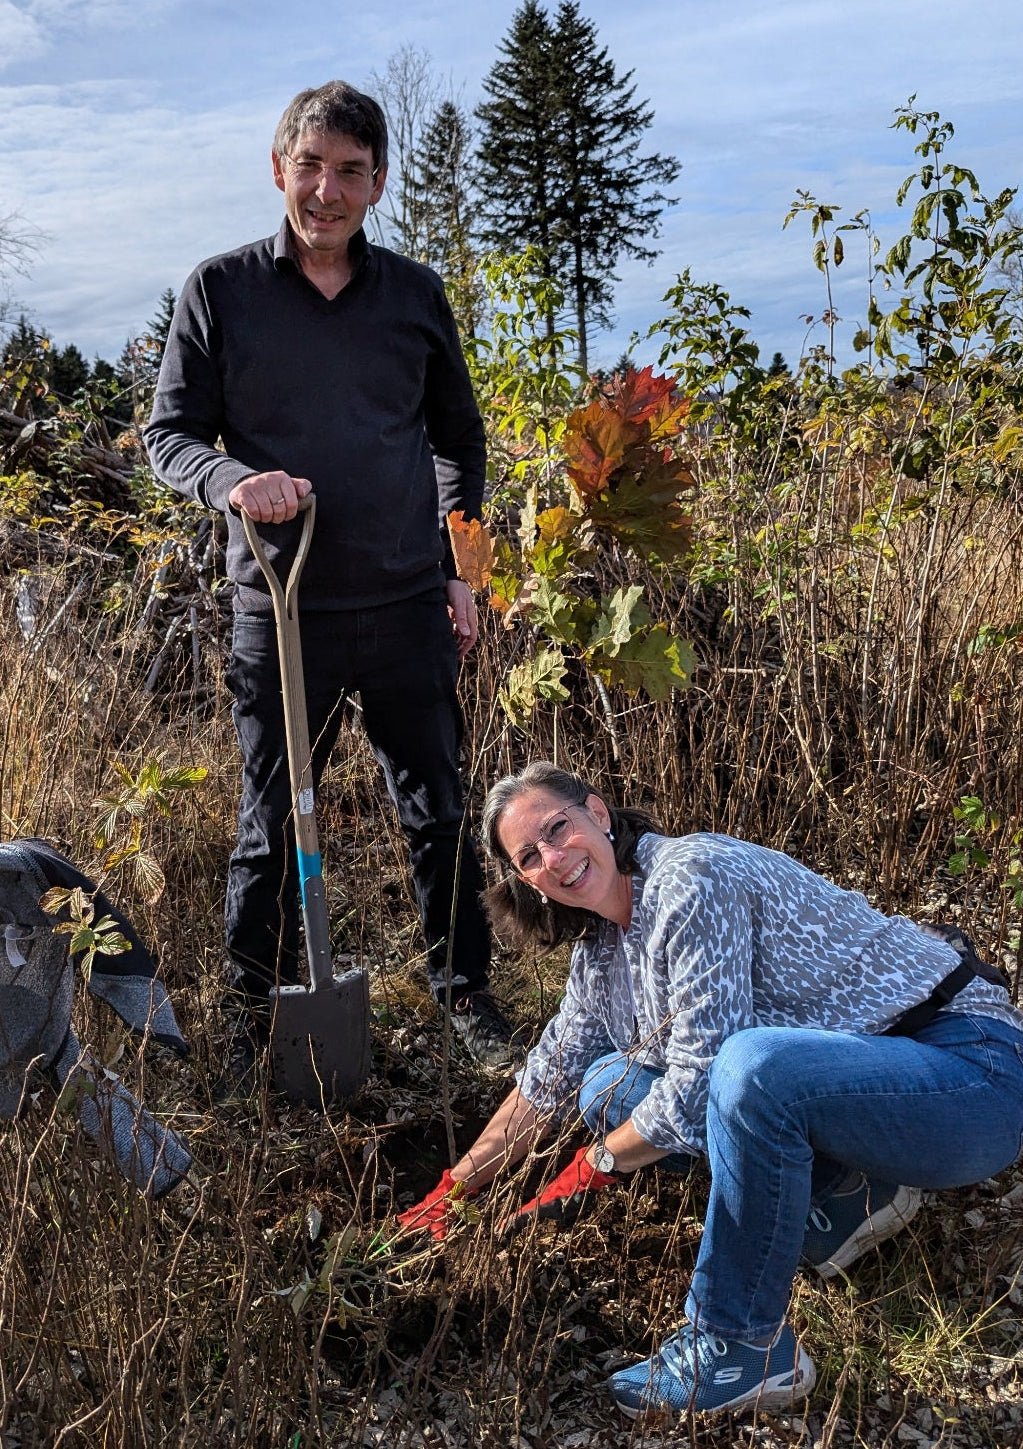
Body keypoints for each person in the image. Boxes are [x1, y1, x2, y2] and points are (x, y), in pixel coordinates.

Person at [397, 760, 1023, 1418]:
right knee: (604, 1085)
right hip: (869, 1092)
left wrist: (591, 1167)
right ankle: (846, 1196)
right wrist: (454, 1189)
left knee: (747, 1067)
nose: (554, 858)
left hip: (969, 1078)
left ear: (599, 812)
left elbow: (701, 1081)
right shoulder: (603, 948)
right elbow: (549, 1077)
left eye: (558, 828)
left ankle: (741, 1344)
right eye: (529, 856)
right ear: (525, 880)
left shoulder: (689, 877)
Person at [145, 81, 514, 1079]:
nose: (327, 190)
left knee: (438, 812)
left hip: (404, 604)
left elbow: (459, 439)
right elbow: (170, 436)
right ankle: (252, 1012)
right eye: (310, 166)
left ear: (378, 183)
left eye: (350, 171)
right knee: (269, 824)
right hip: (281, 610)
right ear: (279, 170)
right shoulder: (220, 291)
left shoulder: (413, 296)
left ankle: (463, 992)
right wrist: (233, 480)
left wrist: (463, 572)